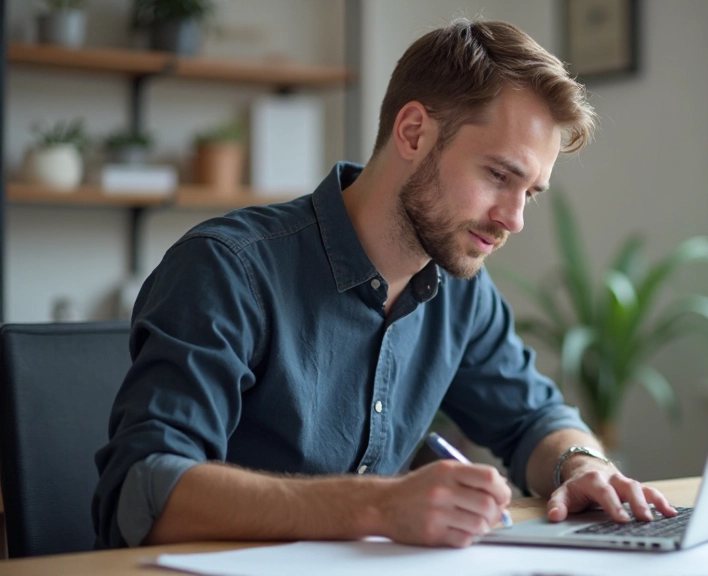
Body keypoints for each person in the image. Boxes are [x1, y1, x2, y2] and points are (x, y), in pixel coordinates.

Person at [93, 18, 678, 550]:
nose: (514, 218)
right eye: (499, 175)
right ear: (414, 131)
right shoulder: (229, 269)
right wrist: (376, 506)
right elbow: (145, 491)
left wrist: (581, 466)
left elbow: (534, 420)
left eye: (529, 192)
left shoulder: (458, 286)